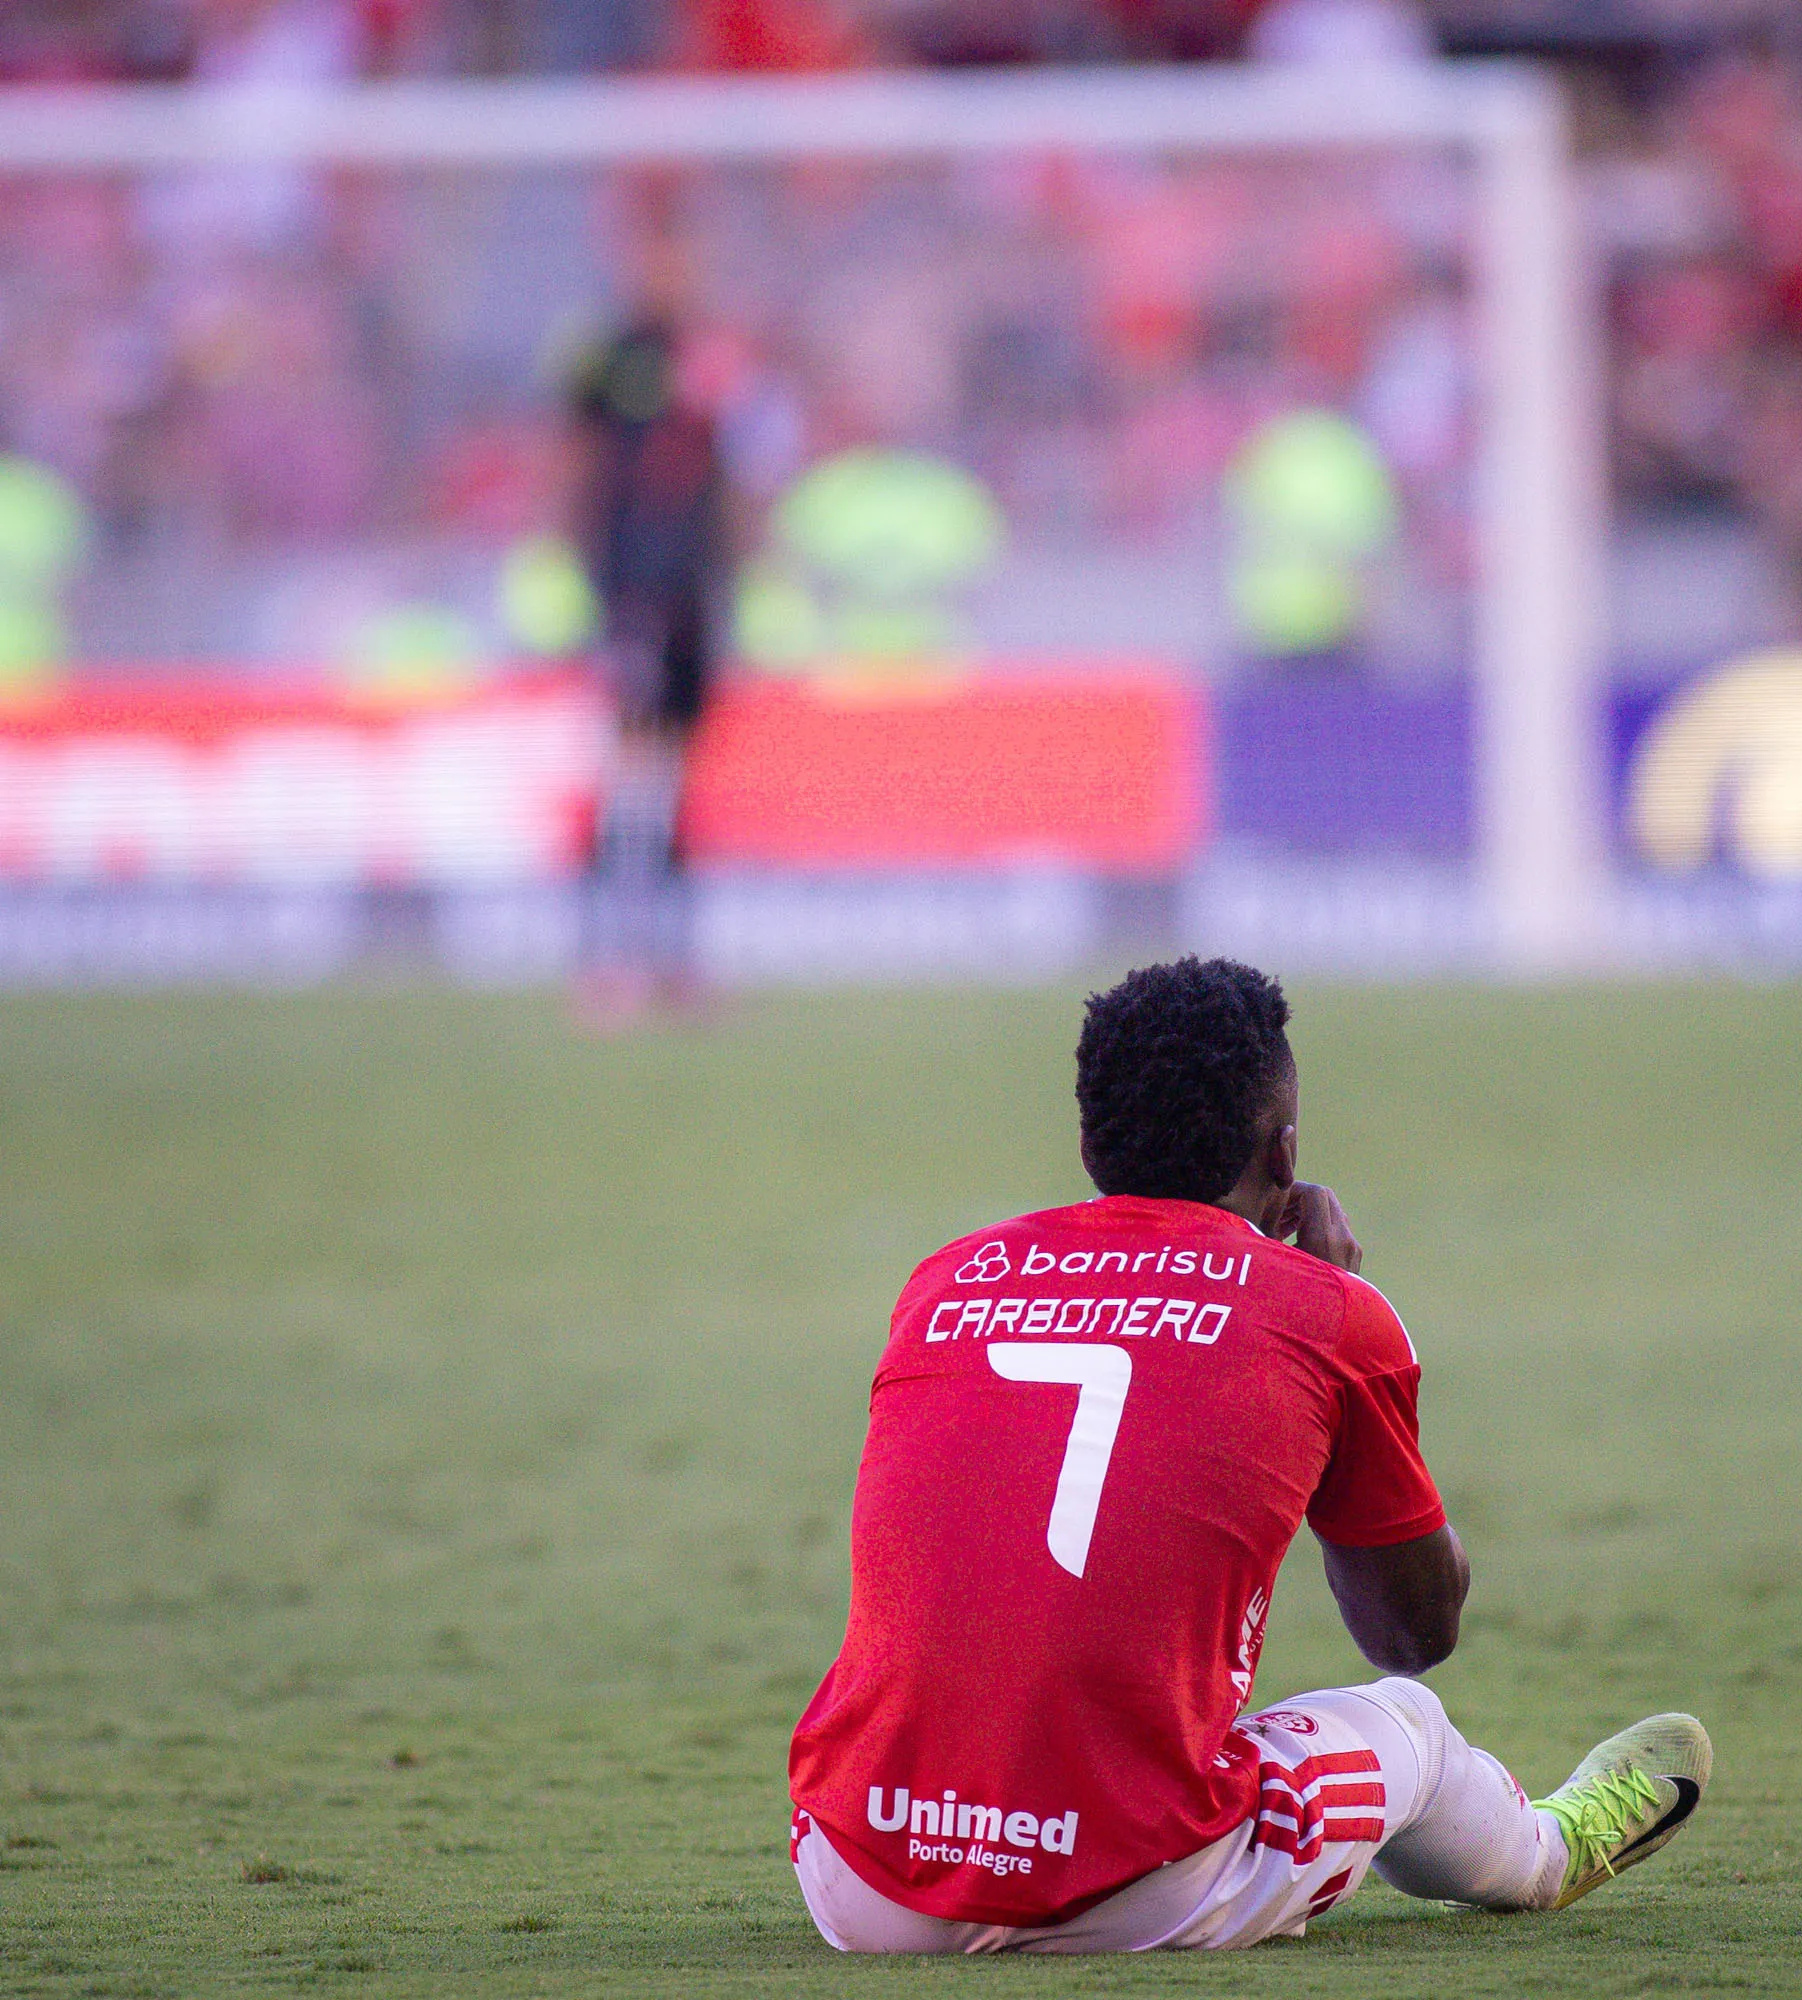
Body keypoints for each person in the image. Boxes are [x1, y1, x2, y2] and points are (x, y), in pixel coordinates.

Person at [784, 957, 1712, 1952]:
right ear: (1285, 1151)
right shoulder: (1326, 1313)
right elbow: (1413, 1630)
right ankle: (1547, 1846)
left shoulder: (945, 1278)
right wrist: (1339, 1351)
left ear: (1095, 1142)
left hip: (860, 1876)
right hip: (1136, 1884)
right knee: (1410, 1721)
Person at [562, 197, 739, 1024]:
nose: (673, 274)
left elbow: (732, 471)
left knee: (671, 781)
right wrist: (589, 574)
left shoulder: (713, 358)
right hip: (632, 587)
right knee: (632, 775)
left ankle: (671, 962)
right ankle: (608, 961)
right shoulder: (606, 358)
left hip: (691, 594)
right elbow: (573, 464)